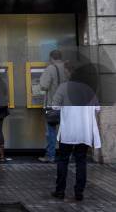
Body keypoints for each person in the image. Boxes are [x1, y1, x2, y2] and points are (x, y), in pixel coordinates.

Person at [51, 64, 100, 202]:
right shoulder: (89, 89)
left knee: (63, 160)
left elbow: (54, 105)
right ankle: (79, 192)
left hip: (68, 131)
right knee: (81, 161)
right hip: (84, 132)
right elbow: (97, 108)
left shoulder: (64, 87)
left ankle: (60, 191)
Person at [38, 50, 68, 163]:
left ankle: (50, 156)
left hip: (52, 105)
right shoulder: (67, 68)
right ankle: (66, 155)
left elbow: (44, 85)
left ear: (51, 58)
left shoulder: (50, 68)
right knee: (65, 131)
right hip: (66, 105)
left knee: (50, 131)